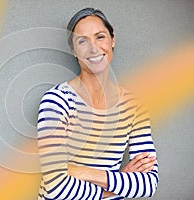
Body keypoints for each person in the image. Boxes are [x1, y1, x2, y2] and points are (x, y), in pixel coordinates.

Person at [37, 7, 159, 200]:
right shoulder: (57, 101)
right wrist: (117, 184)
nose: (93, 48)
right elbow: (55, 187)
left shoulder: (133, 105)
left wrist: (81, 172)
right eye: (82, 41)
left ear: (113, 40)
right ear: (74, 51)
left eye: (100, 37)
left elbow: (148, 183)